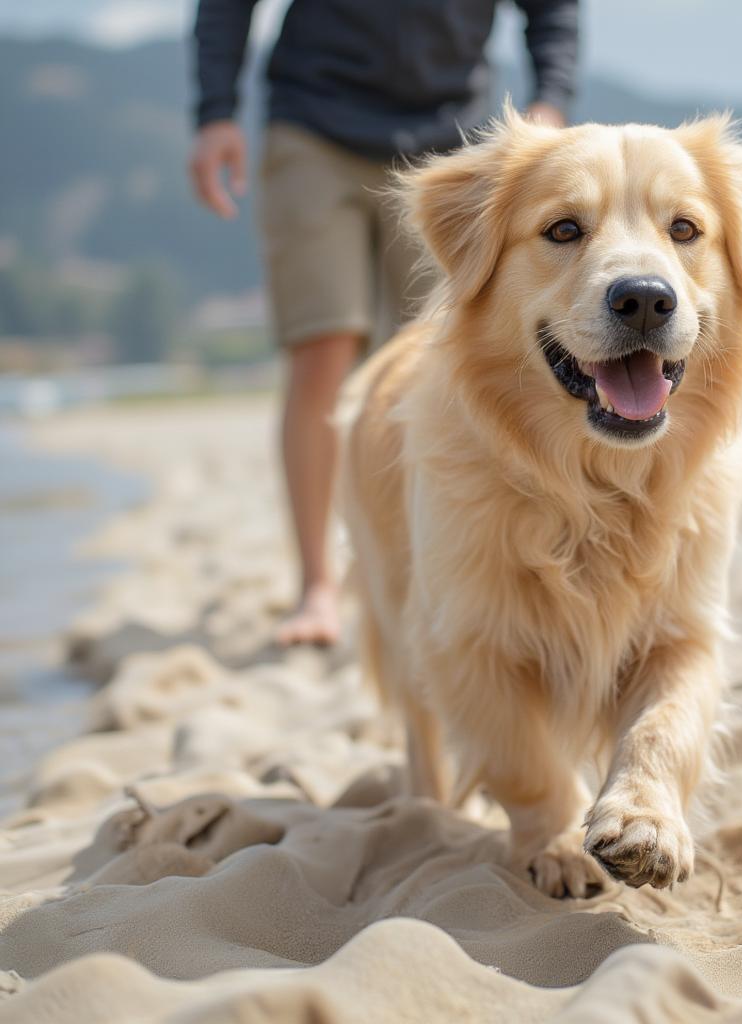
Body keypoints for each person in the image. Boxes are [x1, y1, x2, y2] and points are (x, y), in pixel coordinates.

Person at [188, 1, 579, 646]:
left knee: (437, 358)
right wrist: (214, 114)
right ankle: (318, 586)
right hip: (314, 124)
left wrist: (552, 100)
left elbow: (554, 9)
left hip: (452, 137)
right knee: (324, 346)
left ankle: (426, 572)